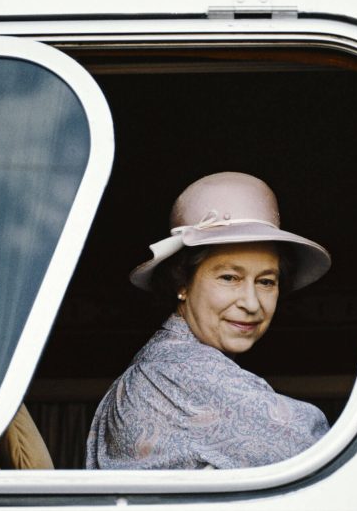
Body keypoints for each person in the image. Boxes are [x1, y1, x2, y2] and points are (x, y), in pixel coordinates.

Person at [85, 172, 332, 469]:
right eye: (229, 278)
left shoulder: (168, 362)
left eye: (266, 282)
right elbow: (321, 451)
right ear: (182, 283)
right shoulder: (179, 372)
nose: (251, 303)